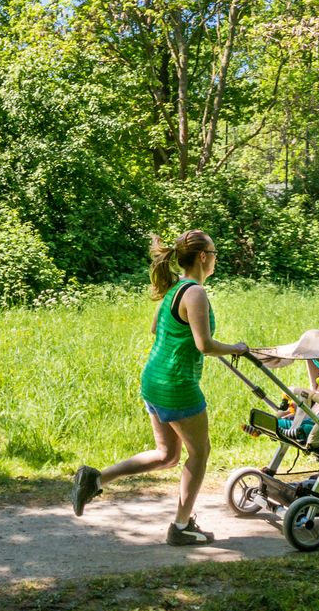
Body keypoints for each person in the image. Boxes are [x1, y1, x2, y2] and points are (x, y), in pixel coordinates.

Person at [71, 229, 248, 546]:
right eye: (215, 252)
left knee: (167, 455)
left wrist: (182, 343)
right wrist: (237, 348)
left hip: (154, 379)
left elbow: (157, 328)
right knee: (200, 453)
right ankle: (181, 528)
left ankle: (95, 479)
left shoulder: (174, 289)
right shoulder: (195, 293)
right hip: (177, 385)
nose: (216, 258)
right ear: (203, 257)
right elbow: (204, 344)